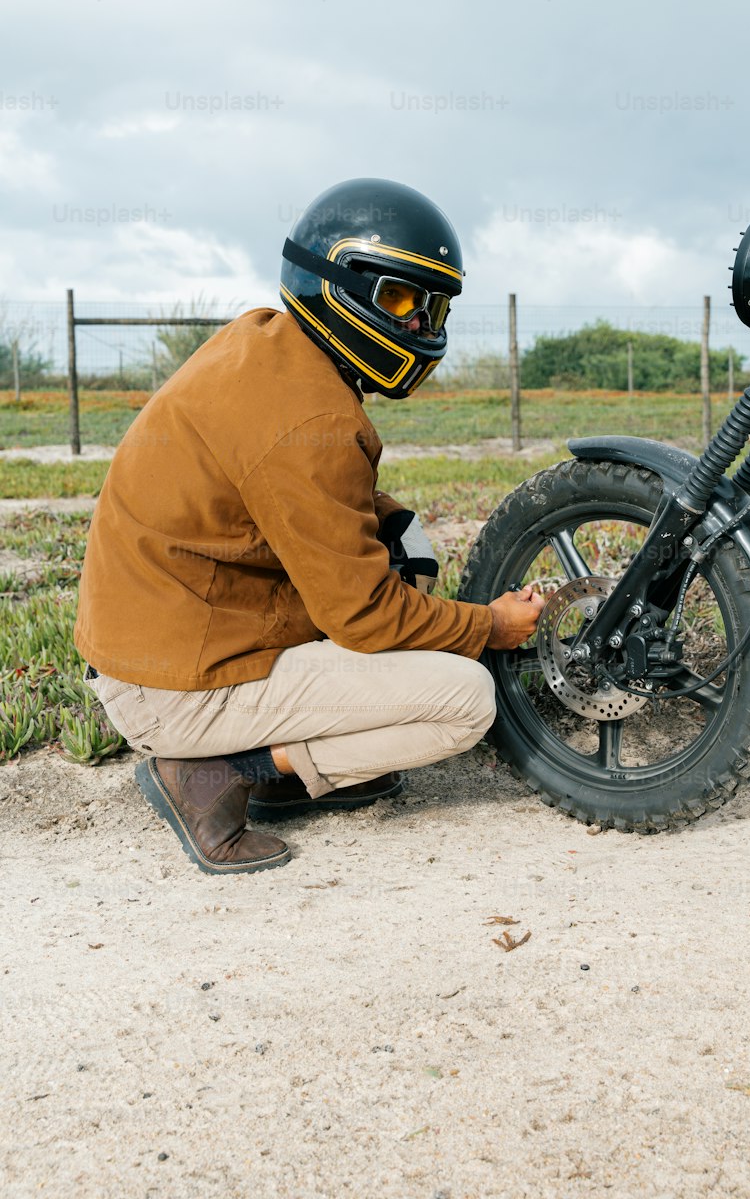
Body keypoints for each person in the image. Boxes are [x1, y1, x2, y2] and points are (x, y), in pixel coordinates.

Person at [74, 179, 544, 875]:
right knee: (462, 699)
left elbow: (282, 488)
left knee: (404, 563)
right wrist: (490, 628)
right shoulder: (314, 420)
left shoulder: (267, 342)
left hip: (165, 646)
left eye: (432, 305)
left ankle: (292, 769)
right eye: (401, 300)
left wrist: (394, 524)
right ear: (338, 284)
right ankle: (221, 775)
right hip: (170, 690)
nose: (419, 325)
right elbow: (363, 617)